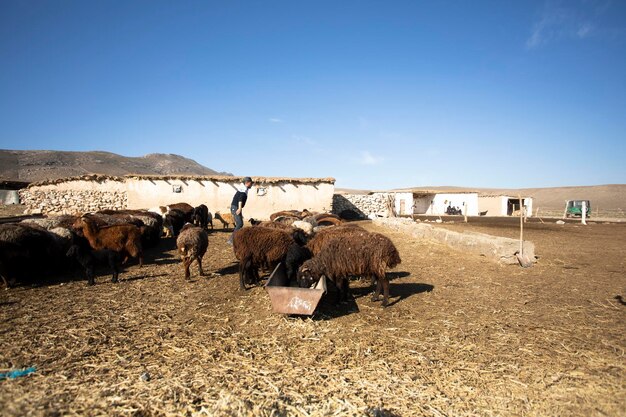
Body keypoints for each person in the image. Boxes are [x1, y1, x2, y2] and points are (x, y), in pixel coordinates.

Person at [227, 176, 253, 244]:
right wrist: (239, 208)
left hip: (235, 207)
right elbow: (240, 199)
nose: (252, 184)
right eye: (251, 183)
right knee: (239, 224)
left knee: (240, 224)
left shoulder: (245, 189)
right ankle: (231, 240)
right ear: (247, 183)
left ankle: (235, 239)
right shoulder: (243, 189)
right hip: (235, 207)